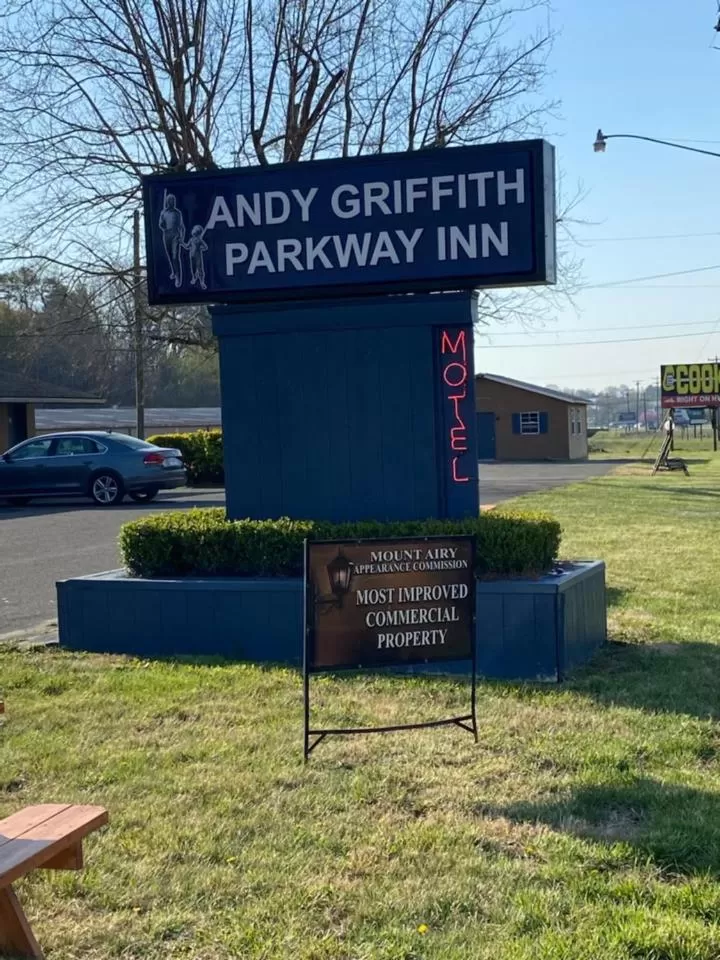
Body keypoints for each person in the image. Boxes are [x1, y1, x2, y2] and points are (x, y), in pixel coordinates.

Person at [158, 193, 185, 287]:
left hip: (175, 235)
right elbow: (160, 224)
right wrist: (163, 225)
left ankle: (178, 277)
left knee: (175, 256)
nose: (172, 202)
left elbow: (182, 227)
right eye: (170, 201)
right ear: (167, 202)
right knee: (169, 255)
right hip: (166, 234)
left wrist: (181, 237)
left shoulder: (177, 213)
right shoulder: (163, 213)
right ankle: (173, 272)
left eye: (173, 201)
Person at [182, 225, 208, 289]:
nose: (192, 230)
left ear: (197, 232)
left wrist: (200, 248)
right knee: (193, 268)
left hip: (198, 256)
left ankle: (202, 282)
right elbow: (187, 247)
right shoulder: (191, 239)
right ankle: (194, 277)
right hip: (191, 256)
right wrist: (182, 243)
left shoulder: (200, 240)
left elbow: (205, 247)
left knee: (200, 269)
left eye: (194, 229)